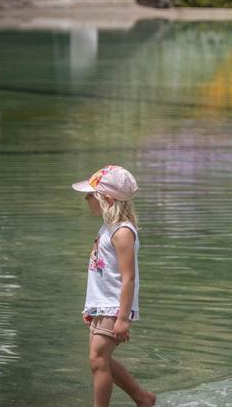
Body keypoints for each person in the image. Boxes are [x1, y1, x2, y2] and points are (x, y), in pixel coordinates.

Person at [72, 165, 156, 407]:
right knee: (100, 360)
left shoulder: (122, 233)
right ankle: (143, 398)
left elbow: (128, 278)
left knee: (98, 360)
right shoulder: (109, 227)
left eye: (91, 195)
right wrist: (93, 307)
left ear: (106, 199)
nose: (87, 199)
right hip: (102, 305)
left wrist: (122, 318)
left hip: (114, 307)